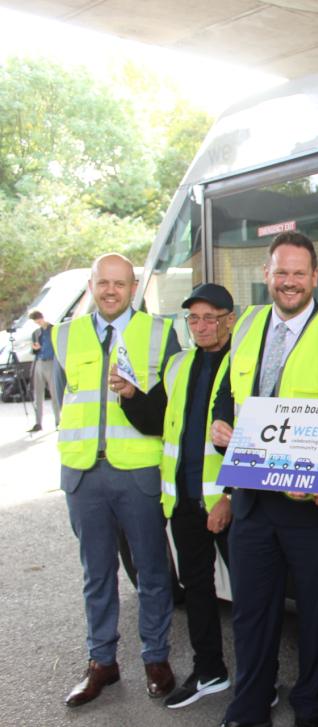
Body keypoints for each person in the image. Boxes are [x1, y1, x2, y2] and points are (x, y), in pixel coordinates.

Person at [210, 231, 318, 727]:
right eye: (281, 272)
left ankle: (308, 705)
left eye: (299, 273)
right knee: (251, 615)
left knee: (317, 617)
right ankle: (249, 705)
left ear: (315, 278)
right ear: (267, 275)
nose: (289, 282)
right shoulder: (247, 326)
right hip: (252, 503)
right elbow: (228, 396)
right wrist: (221, 431)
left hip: (310, 508)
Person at [52, 253, 180, 707]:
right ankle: (101, 662)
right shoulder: (64, 334)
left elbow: (171, 409)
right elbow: (62, 403)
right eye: (103, 282)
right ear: (91, 285)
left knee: (152, 571)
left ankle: (156, 658)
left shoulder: (160, 334)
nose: (111, 290)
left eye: (120, 283)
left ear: (134, 288)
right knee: (97, 574)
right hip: (85, 473)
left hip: (139, 472)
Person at [110, 283, 237, 709]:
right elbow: (160, 421)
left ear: (229, 319)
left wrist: (231, 498)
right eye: (194, 318)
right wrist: (130, 396)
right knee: (197, 588)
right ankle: (210, 672)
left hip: (228, 501)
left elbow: (256, 437)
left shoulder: (245, 363)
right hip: (184, 501)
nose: (201, 326)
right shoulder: (180, 364)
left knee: (253, 596)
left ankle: (264, 678)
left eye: (210, 317)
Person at [28, 309, 60, 432]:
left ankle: (58, 421)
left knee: (54, 394)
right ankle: (38, 423)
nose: (38, 322)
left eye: (38, 319)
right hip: (39, 362)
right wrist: (35, 349)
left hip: (52, 362)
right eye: (35, 321)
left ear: (42, 317)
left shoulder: (54, 329)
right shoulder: (36, 333)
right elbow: (34, 350)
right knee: (38, 394)